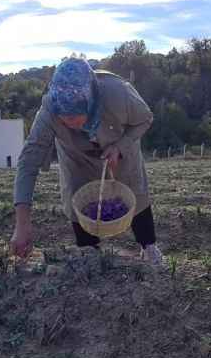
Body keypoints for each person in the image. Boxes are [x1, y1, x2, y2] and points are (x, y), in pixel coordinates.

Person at [10, 57, 164, 267]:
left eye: (75, 116)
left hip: (117, 147)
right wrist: (22, 224)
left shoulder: (117, 93)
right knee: (78, 199)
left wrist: (121, 145)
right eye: (64, 118)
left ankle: (149, 247)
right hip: (76, 157)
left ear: (91, 101)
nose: (69, 122)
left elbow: (145, 119)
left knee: (135, 193)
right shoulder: (49, 109)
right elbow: (29, 159)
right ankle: (90, 255)